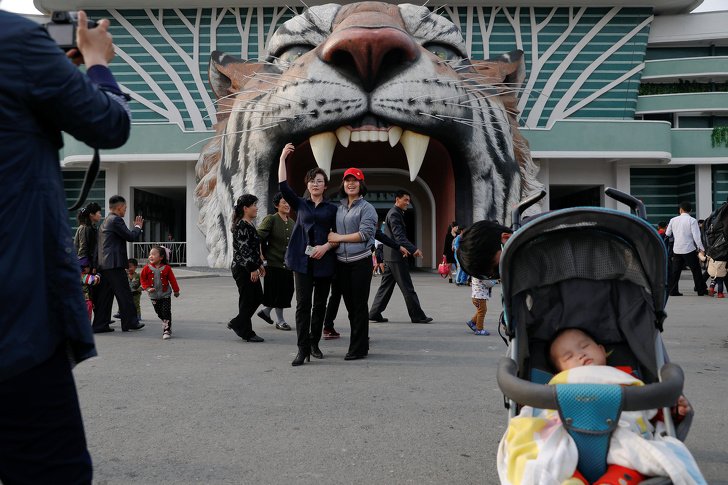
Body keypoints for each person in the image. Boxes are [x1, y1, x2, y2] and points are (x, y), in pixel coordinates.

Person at [0, 9, 130, 483]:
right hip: (15, 318)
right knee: (52, 470)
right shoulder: (15, 40)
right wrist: (95, 61)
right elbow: (109, 124)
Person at [498, 328, 703, 485]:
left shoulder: (626, 377)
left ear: (602, 350)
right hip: (566, 434)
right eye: (568, 356)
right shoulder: (556, 384)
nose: (579, 355)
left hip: (622, 434)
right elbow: (538, 415)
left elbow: (647, 412)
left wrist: (672, 411)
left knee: (634, 457)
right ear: (558, 370)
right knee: (544, 453)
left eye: (585, 346)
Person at [278, 143, 338, 366]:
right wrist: (283, 158)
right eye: (312, 180)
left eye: (319, 181)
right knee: (303, 305)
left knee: (320, 305)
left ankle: (314, 343)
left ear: (324, 186)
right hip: (302, 262)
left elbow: (337, 235)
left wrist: (326, 247)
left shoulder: (333, 210)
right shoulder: (300, 204)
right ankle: (302, 349)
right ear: (308, 184)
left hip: (324, 261)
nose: (315, 183)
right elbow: (283, 185)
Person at [328, 168, 378, 360]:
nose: (351, 183)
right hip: (341, 263)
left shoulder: (367, 208)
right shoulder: (339, 208)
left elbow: (365, 234)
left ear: (361, 184)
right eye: (347, 180)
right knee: (350, 306)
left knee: (358, 306)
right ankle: (362, 343)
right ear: (343, 184)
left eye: (355, 181)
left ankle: (357, 348)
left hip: (360, 263)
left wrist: (339, 237)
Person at [369, 190, 432, 324]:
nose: (408, 203)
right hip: (396, 256)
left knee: (385, 287)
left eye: (409, 201)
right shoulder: (394, 214)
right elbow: (399, 237)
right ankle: (417, 316)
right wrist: (413, 249)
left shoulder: (395, 213)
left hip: (391, 256)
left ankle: (374, 313)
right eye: (405, 200)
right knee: (407, 287)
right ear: (397, 199)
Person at [93, 195, 145, 333]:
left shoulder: (105, 221)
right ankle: (131, 322)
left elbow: (97, 247)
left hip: (104, 265)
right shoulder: (116, 220)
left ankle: (100, 325)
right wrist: (138, 227)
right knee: (125, 294)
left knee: (104, 297)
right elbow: (130, 236)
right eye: (125, 208)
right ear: (119, 207)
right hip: (114, 264)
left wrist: (95, 265)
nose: (125, 211)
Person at [228, 194, 266, 343]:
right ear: (245, 208)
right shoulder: (242, 226)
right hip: (243, 269)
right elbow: (244, 250)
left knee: (255, 298)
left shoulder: (249, 224)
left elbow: (253, 248)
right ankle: (244, 329)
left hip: (249, 267)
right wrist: (252, 269)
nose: (256, 208)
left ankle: (240, 325)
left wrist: (260, 265)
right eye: (254, 205)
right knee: (249, 299)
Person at [256, 192, 295, 331]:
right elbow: (258, 237)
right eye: (284, 202)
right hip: (272, 263)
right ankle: (280, 321)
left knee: (287, 292)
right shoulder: (271, 219)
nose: (287, 205)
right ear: (276, 205)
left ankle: (266, 312)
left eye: (288, 202)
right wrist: (260, 256)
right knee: (277, 293)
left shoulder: (292, 223)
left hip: (288, 265)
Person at [666, 201, 707, 296]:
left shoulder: (673, 220)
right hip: (689, 249)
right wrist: (701, 248)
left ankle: (673, 291)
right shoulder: (692, 220)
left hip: (677, 249)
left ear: (680, 210)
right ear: (690, 210)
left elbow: (668, 234)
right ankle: (700, 290)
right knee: (696, 270)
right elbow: (696, 236)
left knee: (675, 271)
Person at [140, 247, 180, 340]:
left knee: (166, 311)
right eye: (150, 254)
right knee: (159, 312)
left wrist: (176, 290)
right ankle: (167, 322)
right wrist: (147, 288)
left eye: (153, 254)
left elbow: (172, 280)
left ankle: (167, 329)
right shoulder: (146, 268)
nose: (151, 256)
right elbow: (143, 279)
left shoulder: (167, 268)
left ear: (161, 257)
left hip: (165, 294)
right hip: (153, 296)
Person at [74, 202, 103, 267]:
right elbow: (83, 247)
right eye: (99, 213)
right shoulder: (84, 227)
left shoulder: (92, 227)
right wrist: (85, 265)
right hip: (84, 265)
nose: (100, 215)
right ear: (91, 214)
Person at [80, 258, 102, 323]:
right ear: (85, 268)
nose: (90, 269)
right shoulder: (84, 276)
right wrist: (98, 275)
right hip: (86, 300)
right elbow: (95, 281)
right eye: (89, 267)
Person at [127, 258, 142, 323]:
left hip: (136, 293)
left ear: (135, 267)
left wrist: (140, 289)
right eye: (127, 267)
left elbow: (143, 283)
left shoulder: (138, 275)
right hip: (127, 293)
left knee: (136, 305)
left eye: (130, 267)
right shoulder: (125, 275)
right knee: (126, 304)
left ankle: (138, 316)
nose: (129, 269)